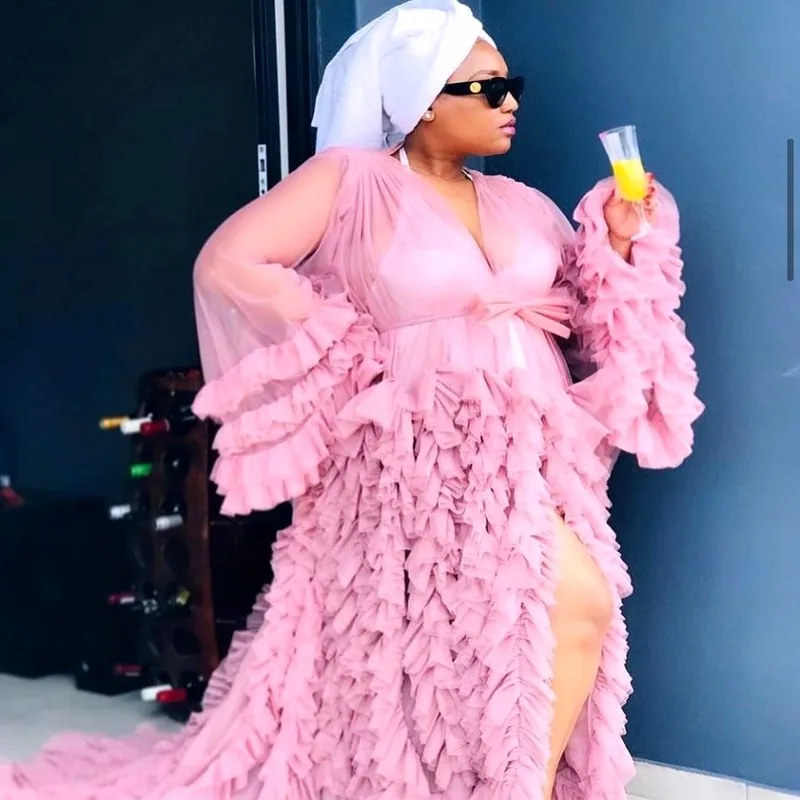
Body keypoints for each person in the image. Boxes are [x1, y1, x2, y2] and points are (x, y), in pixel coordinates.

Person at [1, 1, 703, 798]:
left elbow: (584, 320)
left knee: (498, 631)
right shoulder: (351, 180)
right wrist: (346, 348)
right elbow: (229, 264)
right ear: (424, 99)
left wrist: (618, 237)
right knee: (570, 601)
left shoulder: (523, 202)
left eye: (515, 86)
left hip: (534, 450)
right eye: (487, 86)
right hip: (416, 452)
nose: (509, 102)